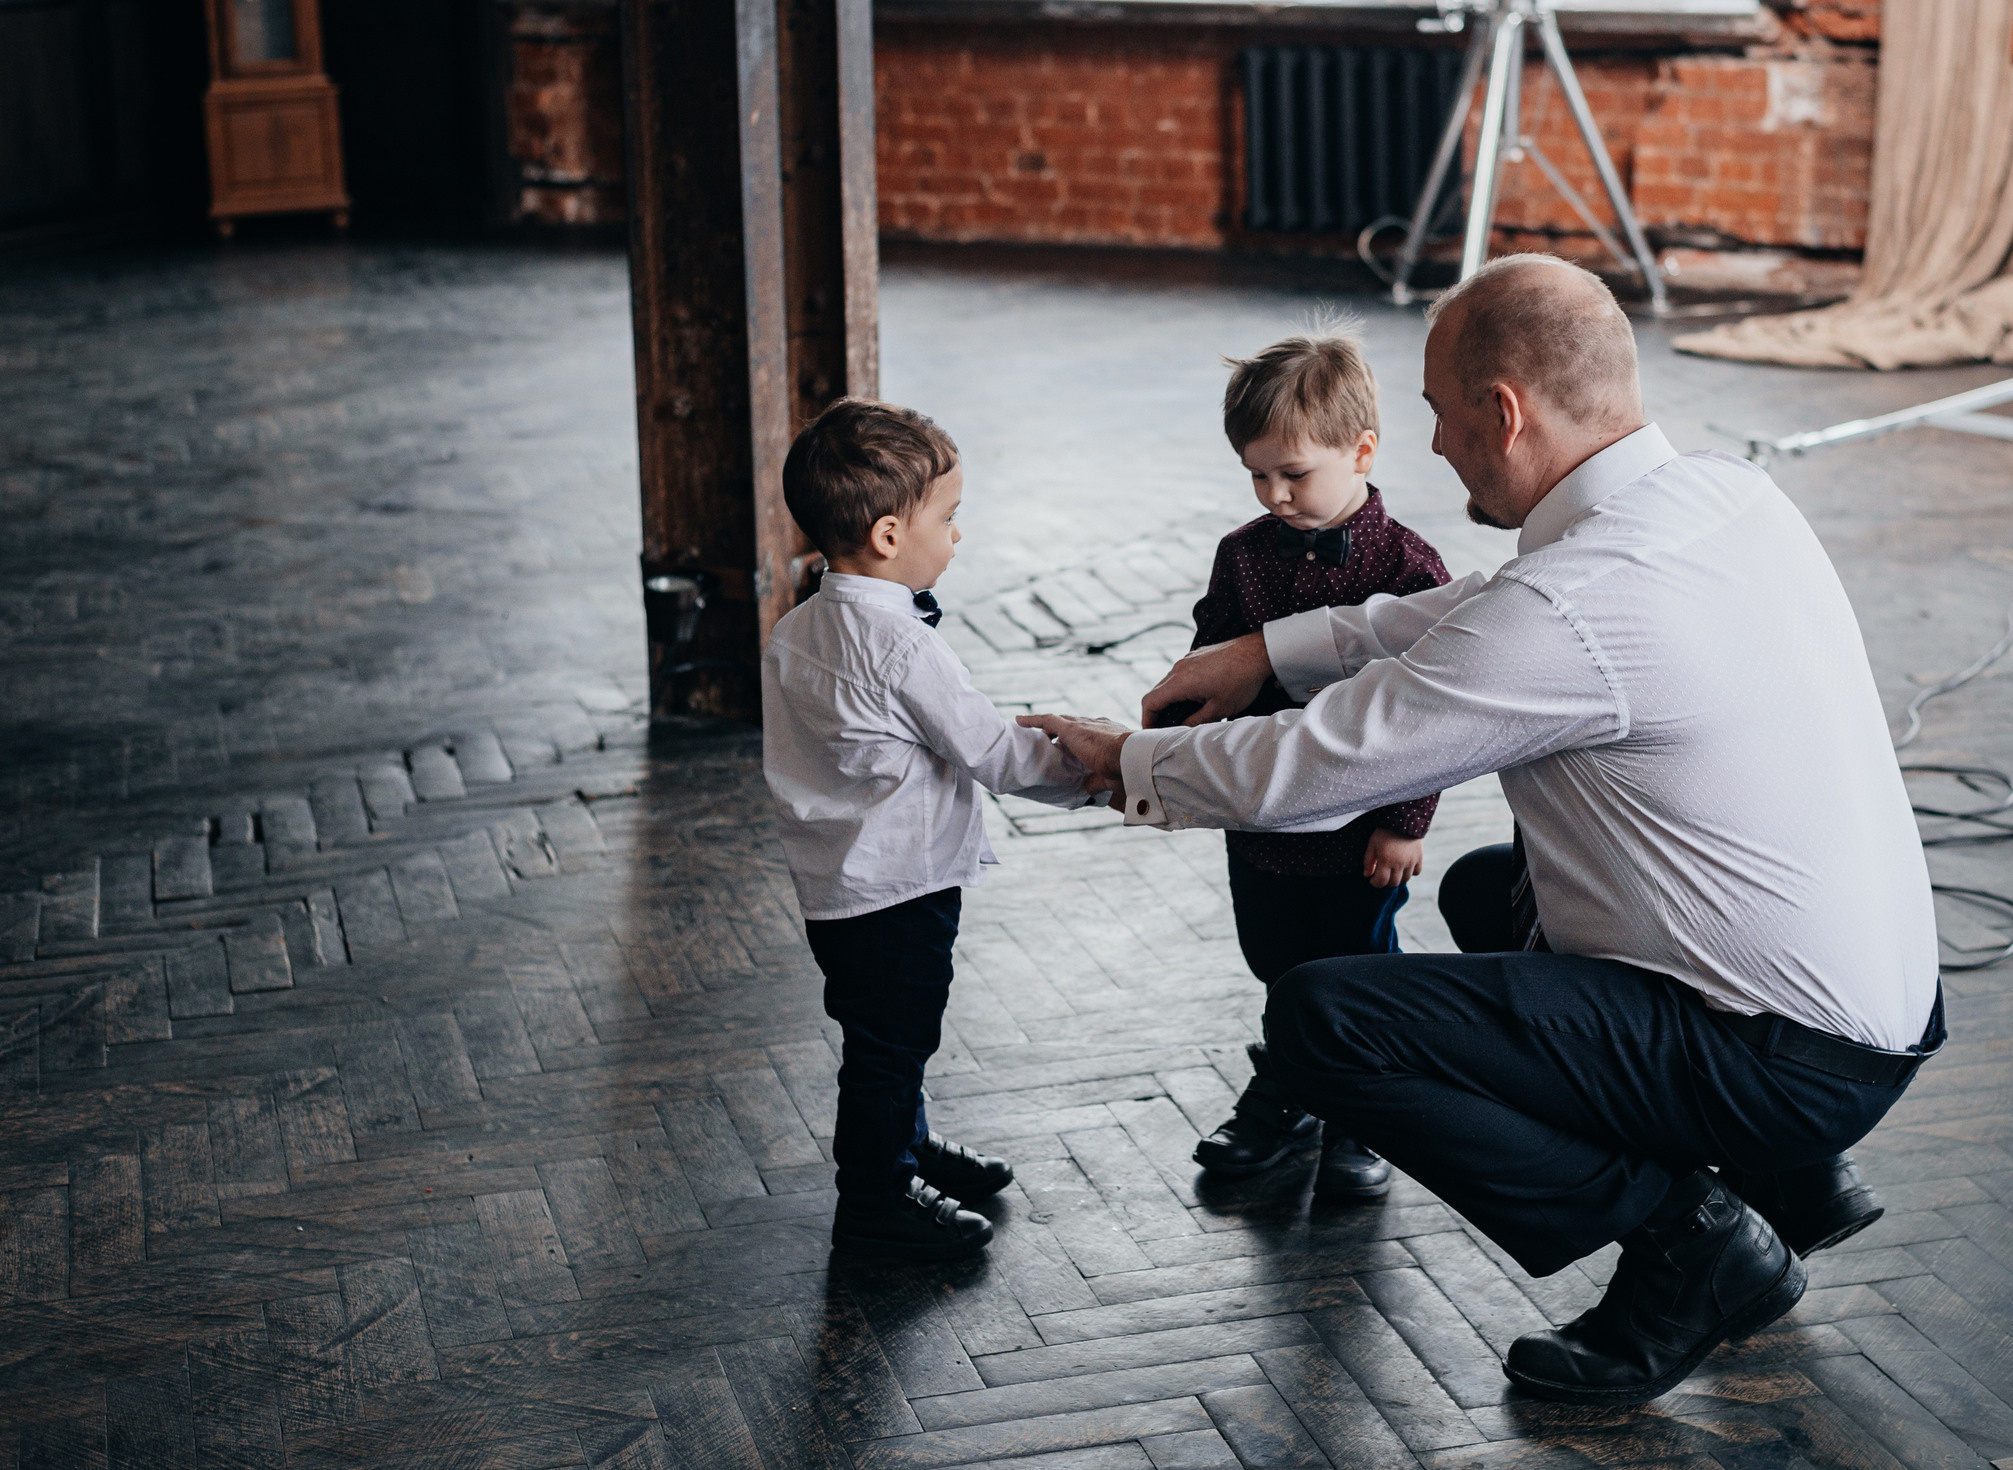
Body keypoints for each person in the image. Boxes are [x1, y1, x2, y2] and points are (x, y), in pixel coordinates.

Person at [1021, 255, 1942, 1405]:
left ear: (1501, 412)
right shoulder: (1717, 492)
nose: (1437, 447)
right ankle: (1792, 1179)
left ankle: (1695, 1244)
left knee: (1325, 1016)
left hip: (1786, 1058)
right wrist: (1271, 648)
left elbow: (1321, 765)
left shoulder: (1572, 605)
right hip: (1875, 1001)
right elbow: (1481, 607)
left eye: (1437, 416)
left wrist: (1129, 763)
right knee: (1484, 891)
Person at [765, 397, 1102, 1263]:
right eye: (947, 519)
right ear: (886, 535)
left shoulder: (797, 629)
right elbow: (996, 754)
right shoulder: (903, 646)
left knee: (879, 1032)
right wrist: (1100, 770)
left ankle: (906, 1149)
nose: (957, 536)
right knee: (892, 1045)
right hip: (902, 885)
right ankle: (876, 1196)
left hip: (837, 885)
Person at [1174, 333, 1451, 1201]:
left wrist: (1406, 825)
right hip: (1264, 810)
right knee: (1278, 958)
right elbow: (1214, 650)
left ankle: (1361, 1112)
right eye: (1257, 476)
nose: (1274, 495)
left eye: (1293, 473)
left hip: (1361, 826)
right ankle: (1294, 1088)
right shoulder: (1243, 553)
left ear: (1362, 450)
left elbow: (1432, 714)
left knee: (1354, 968)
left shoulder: (1410, 569)